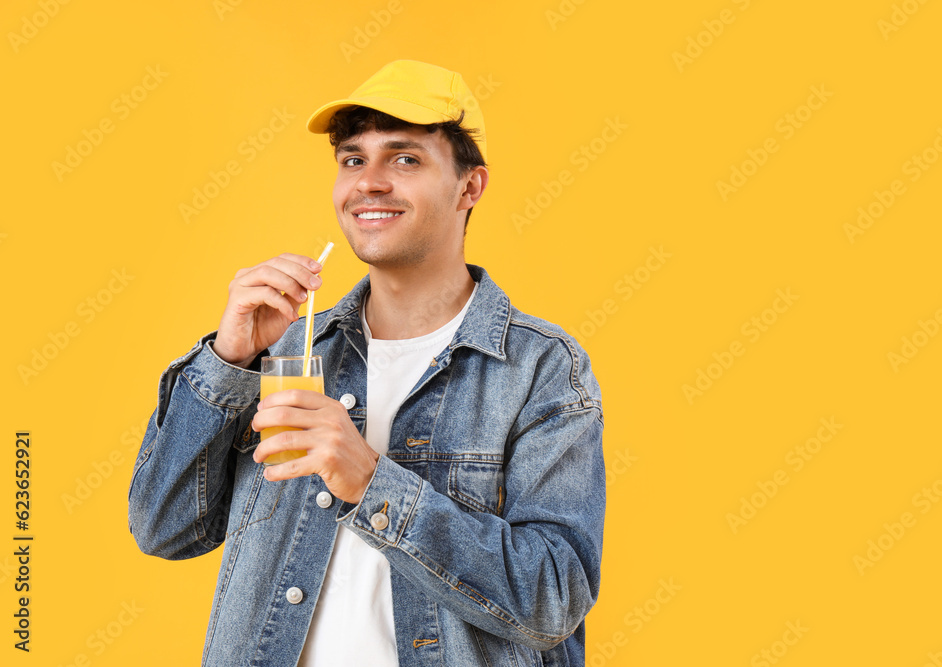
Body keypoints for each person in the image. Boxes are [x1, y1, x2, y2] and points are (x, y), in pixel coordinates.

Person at [127, 59, 605, 666]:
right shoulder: (290, 351)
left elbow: (553, 598)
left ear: (470, 187)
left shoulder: (539, 368)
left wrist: (373, 482)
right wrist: (228, 359)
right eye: (353, 159)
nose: (368, 182)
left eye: (404, 159)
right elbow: (164, 528)